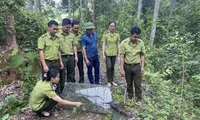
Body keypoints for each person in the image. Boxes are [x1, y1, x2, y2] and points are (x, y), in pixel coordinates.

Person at [120, 26, 145, 105]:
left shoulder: (141, 43)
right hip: (127, 66)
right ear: (130, 35)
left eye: (138, 37)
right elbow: (122, 56)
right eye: (135, 37)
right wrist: (121, 69)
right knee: (129, 83)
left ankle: (139, 99)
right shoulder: (124, 43)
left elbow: (142, 55)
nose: (136, 38)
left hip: (137, 66)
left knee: (138, 84)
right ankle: (130, 97)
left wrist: (142, 67)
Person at [37, 20, 64, 93]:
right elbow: (41, 52)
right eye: (54, 29)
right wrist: (44, 65)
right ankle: (46, 96)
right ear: (49, 28)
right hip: (47, 62)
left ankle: (56, 95)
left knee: (56, 79)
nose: (55, 31)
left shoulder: (58, 39)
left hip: (56, 62)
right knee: (46, 79)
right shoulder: (42, 38)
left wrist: (61, 62)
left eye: (56, 29)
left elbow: (59, 51)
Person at [57, 18, 78, 92]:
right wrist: (60, 61)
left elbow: (74, 46)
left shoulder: (72, 35)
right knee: (62, 74)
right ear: (62, 26)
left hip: (71, 57)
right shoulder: (57, 35)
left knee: (71, 74)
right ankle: (61, 90)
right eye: (67, 27)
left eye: (69, 27)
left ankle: (71, 89)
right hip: (62, 57)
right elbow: (58, 48)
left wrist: (76, 56)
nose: (68, 29)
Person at [102, 21, 120, 87]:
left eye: (113, 26)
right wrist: (103, 54)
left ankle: (112, 80)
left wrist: (119, 53)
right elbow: (104, 44)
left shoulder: (117, 35)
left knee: (112, 67)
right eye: (111, 26)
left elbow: (118, 44)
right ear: (109, 27)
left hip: (114, 53)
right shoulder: (105, 35)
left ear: (115, 27)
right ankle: (108, 81)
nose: (112, 27)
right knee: (108, 67)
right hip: (108, 53)